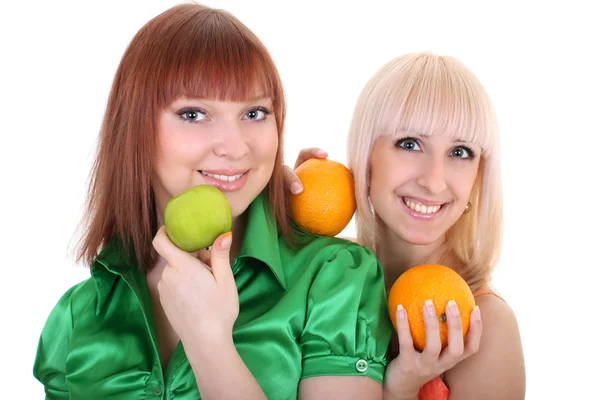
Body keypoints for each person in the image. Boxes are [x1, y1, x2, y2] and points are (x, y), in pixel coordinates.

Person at [33, 4, 393, 399]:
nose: (236, 147)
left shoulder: (333, 277)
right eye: (193, 114)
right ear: (134, 125)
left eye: (255, 112)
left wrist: (211, 344)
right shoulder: (78, 317)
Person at [286, 53, 526, 399]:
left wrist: (401, 390)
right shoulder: (327, 275)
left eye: (460, 152)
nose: (433, 181)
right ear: (365, 155)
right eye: (410, 144)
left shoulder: (485, 326)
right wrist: (273, 223)